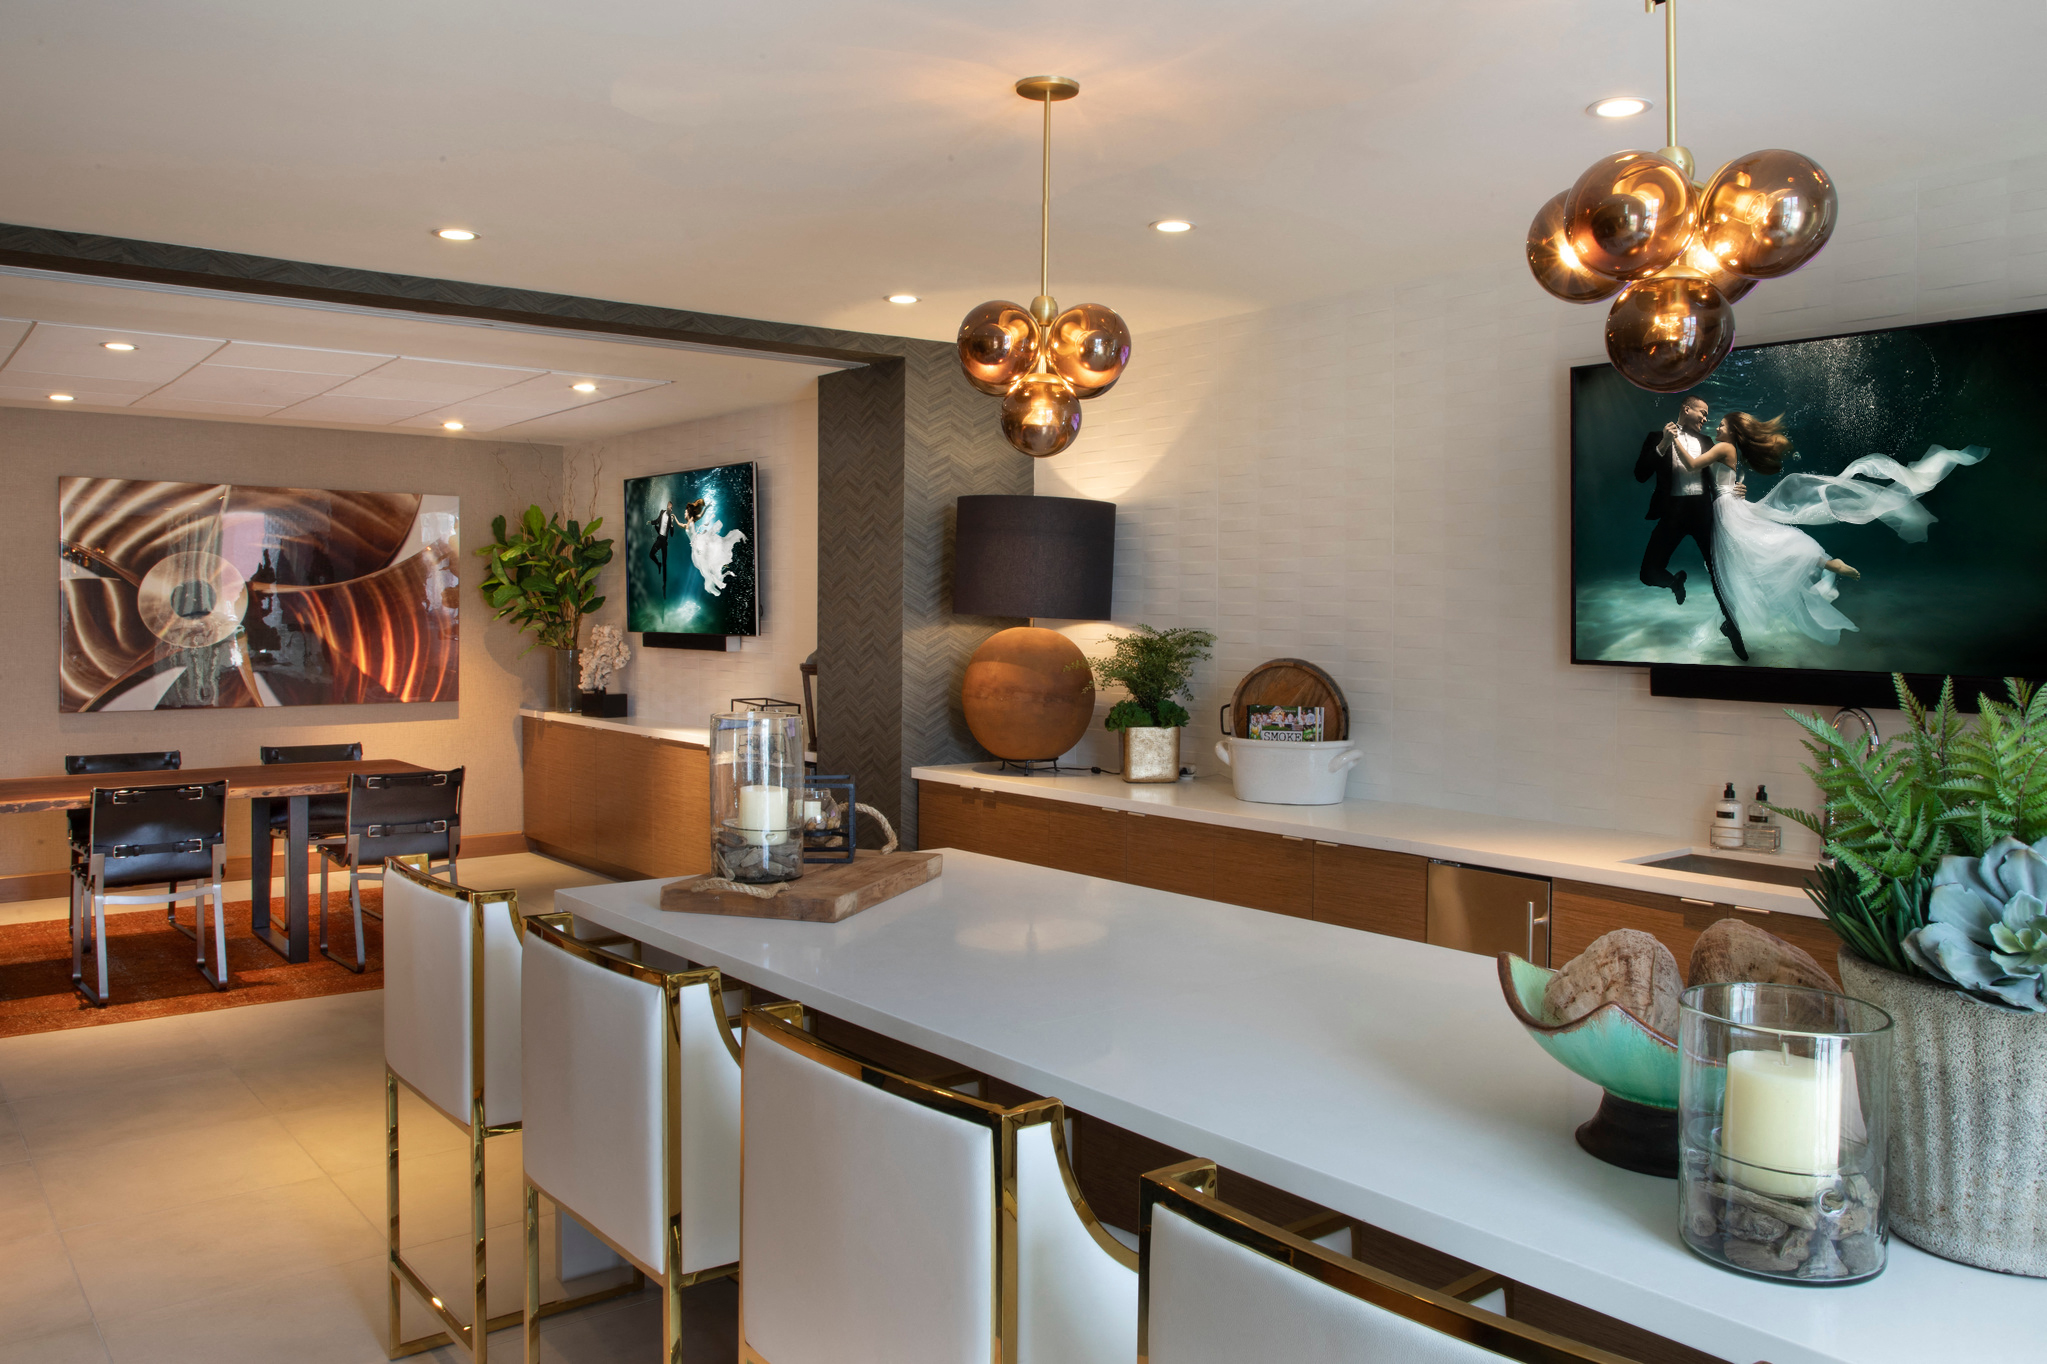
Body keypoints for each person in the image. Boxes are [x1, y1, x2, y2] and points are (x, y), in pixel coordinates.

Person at [1672, 412, 1863, 650]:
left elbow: (1692, 465)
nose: (1717, 428)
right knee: (1752, 553)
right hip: (1724, 506)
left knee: (1760, 548)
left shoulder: (1724, 448)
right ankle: (1823, 564)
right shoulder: (1726, 449)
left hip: (1726, 509)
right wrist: (1735, 487)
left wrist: (1673, 439)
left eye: (1721, 425)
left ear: (1733, 431)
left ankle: (1826, 563)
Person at [1636, 395, 1747, 658]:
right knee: (1648, 573)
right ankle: (1674, 582)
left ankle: (1733, 628)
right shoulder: (1655, 437)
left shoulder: (1708, 442)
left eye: (1708, 415)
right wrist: (1664, 442)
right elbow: (1640, 475)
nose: (1706, 419)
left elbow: (1727, 474)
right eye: (1703, 412)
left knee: (1718, 574)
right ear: (1687, 409)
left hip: (1703, 513)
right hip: (1672, 513)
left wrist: (1739, 489)